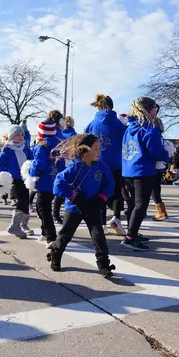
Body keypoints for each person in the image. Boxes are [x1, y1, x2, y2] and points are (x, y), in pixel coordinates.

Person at [47, 133, 116, 278]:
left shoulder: (101, 167)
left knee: (99, 236)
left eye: (99, 149)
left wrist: (101, 198)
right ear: (85, 152)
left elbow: (110, 183)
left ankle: (103, 264)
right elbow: (59, 183)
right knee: (65, 235)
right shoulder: (75, 167)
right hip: (75, 208)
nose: (99, 152)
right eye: (95, 149)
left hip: (93, 207)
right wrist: (74, 197)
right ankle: (55, 254)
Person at [120, 97, 169, 251]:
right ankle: (130, 237)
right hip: (143, 170)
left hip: (128, 170)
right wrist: (166, 155)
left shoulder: (130, 127)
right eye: (154, 107)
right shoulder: (149, 128)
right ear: (148, 109)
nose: (156, 111)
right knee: (141, 205)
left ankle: (131, 231)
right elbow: (155, 151)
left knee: (134, 204)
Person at [84, 94, 127, 235]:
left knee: (100, 193)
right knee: (116, 192)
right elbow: (125, 139)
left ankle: (102, 224)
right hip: (115, 162)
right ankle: (116, 217)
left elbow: (84, 139)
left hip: (97, 162)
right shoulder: (117, 123)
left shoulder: (92, 123)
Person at [0, 125, 34, 239]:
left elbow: (32, 159)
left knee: (26, 201)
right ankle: (15, 225)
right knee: (21, 201)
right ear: (12, 136)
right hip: (15, 180)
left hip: (25, 179)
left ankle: (24, 224)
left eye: (22, 134)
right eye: (17, 135)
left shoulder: (25, 148)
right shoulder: (7, 150)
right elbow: (0, 165)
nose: (20, 137)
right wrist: (3, 176)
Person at [30, 119, 61, 247]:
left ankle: (51, 237)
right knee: (40, 207)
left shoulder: (41, 146)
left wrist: (32, 173)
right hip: (54, 181)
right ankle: (44, 232)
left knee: (44, 209)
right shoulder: (58, 145)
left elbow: (39, 163)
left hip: (44, 182)